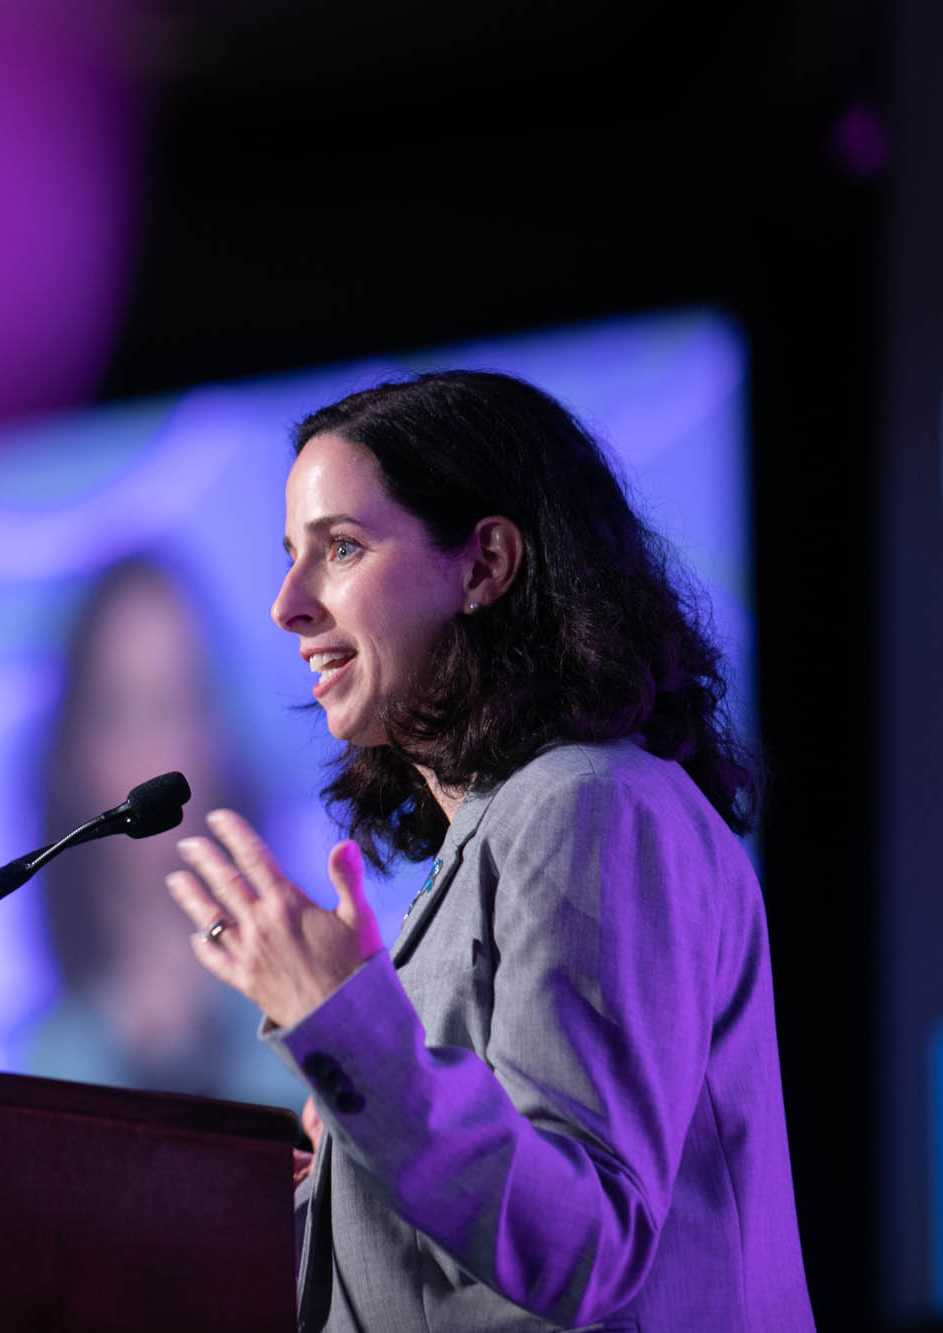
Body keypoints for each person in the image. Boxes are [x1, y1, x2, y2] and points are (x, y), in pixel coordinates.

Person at [164, 372, 814, 1330]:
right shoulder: (508, 825)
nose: (287, 604)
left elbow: (587, 1239)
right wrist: (340, 1175)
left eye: (340, 548)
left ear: (485, 565)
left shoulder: (590, 802)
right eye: (292, 556)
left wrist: (343, 1027)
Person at [19, 556, 305, 1107]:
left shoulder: (311, 1021)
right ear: (72, 756)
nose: (154, 751)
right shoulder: (49, 1072)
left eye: (174, 704)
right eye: (119, 710)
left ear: (217, 740)